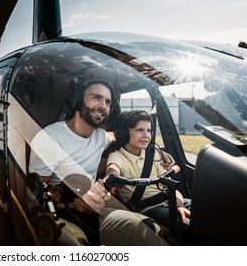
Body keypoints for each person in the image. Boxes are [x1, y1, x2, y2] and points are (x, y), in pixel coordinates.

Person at [29, 78, 174, 245]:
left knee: (151, 227)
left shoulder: (101, 136)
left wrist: (159, 152)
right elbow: (36, 194)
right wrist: (72, 202)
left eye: (107, 102)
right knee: (139, 229)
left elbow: (127, 136)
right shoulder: (50, 137)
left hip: (97, 202)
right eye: (96, 98)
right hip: (66, 208)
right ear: (78, 101)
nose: (103, 105)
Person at [105, 110, 191, 239]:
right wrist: (110, 178)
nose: (146, 136)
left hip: (171, 201)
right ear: (123, 134)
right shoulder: (117, 156)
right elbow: (112, 169)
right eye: (140, 130)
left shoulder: (153, 154)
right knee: (189, 225)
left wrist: (179, 205)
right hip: (148, 209)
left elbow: (169, 186)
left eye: (149, 130)